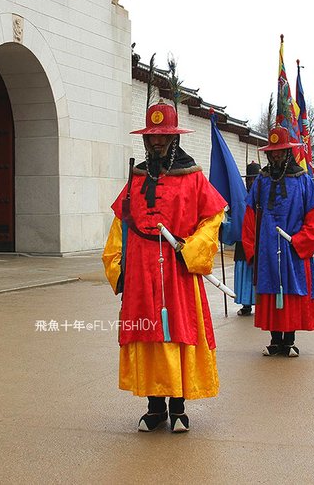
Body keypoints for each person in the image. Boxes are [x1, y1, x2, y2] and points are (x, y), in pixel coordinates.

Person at [102, 101, 226, 433]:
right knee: (147, 334)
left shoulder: (193, 177)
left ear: (174, 139)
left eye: (163, 138)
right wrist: (118, 266)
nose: (157, 143)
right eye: (152, 138)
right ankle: (154, 407)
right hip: (142, 270)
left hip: (177, 268)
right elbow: (120, 224)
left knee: (177, 333)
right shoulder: (137, 177)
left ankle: (179, 407)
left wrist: (193, 249)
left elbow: (213, 217)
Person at [241, 125, 314, 357]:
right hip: (267, 247)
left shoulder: (304, 181)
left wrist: (301, 241)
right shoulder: (261, 181)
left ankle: (289, 340)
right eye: (273, 152)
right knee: (269, 292)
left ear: (288, 152)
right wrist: (251, 247)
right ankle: (274, 339)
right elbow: (250, 214)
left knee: (291, 291)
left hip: (292, 247)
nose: (276, 156)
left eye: (280, 152)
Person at [234, 162, 261, 316]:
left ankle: (260, 303)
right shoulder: (239, 197)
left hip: (259, 239)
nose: (251, 182)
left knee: (257, 272)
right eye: (249, 179)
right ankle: (246, 304)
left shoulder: (264, 196)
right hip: (241, 240)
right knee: (244, 272)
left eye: (254, 179)